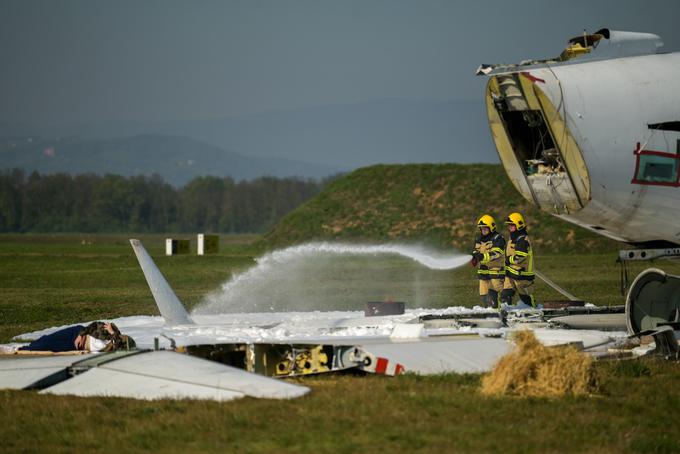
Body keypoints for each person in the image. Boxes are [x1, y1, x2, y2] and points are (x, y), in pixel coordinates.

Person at [17, 321, 135, 353]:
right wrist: (80, 335)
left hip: (76, 346)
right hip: (76, 333)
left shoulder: (111, 348)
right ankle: (29, 345)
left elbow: (117, 344)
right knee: (49, 338)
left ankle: (25, 349)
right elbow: (94, 325)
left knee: (49, 346)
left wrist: (115, 339)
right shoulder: (111, 330)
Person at [501, 212, 536, 309]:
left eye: (512, 225)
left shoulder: (522, 240)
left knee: (526, 299)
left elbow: (520, 257)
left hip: (523, 276)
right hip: (511, 274)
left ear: (519, 225)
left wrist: (509, 259)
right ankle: (505, 313)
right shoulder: (513, 238)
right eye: (509, 225)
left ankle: (534, 312)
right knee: (505, 295)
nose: (510, 227)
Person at [471, 214, 506, 308]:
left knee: (496, 290)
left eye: (485, 228)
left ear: (492, 227)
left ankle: (502, 309)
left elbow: (497, 253)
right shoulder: (478, 239)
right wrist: (474, 257)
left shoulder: (498, 238)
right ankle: (488, 309)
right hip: (483, 270)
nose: (483, 230)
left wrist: (483, 256)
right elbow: (476, 250)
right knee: (483, 293)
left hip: (495, 270)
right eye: (481, 228)